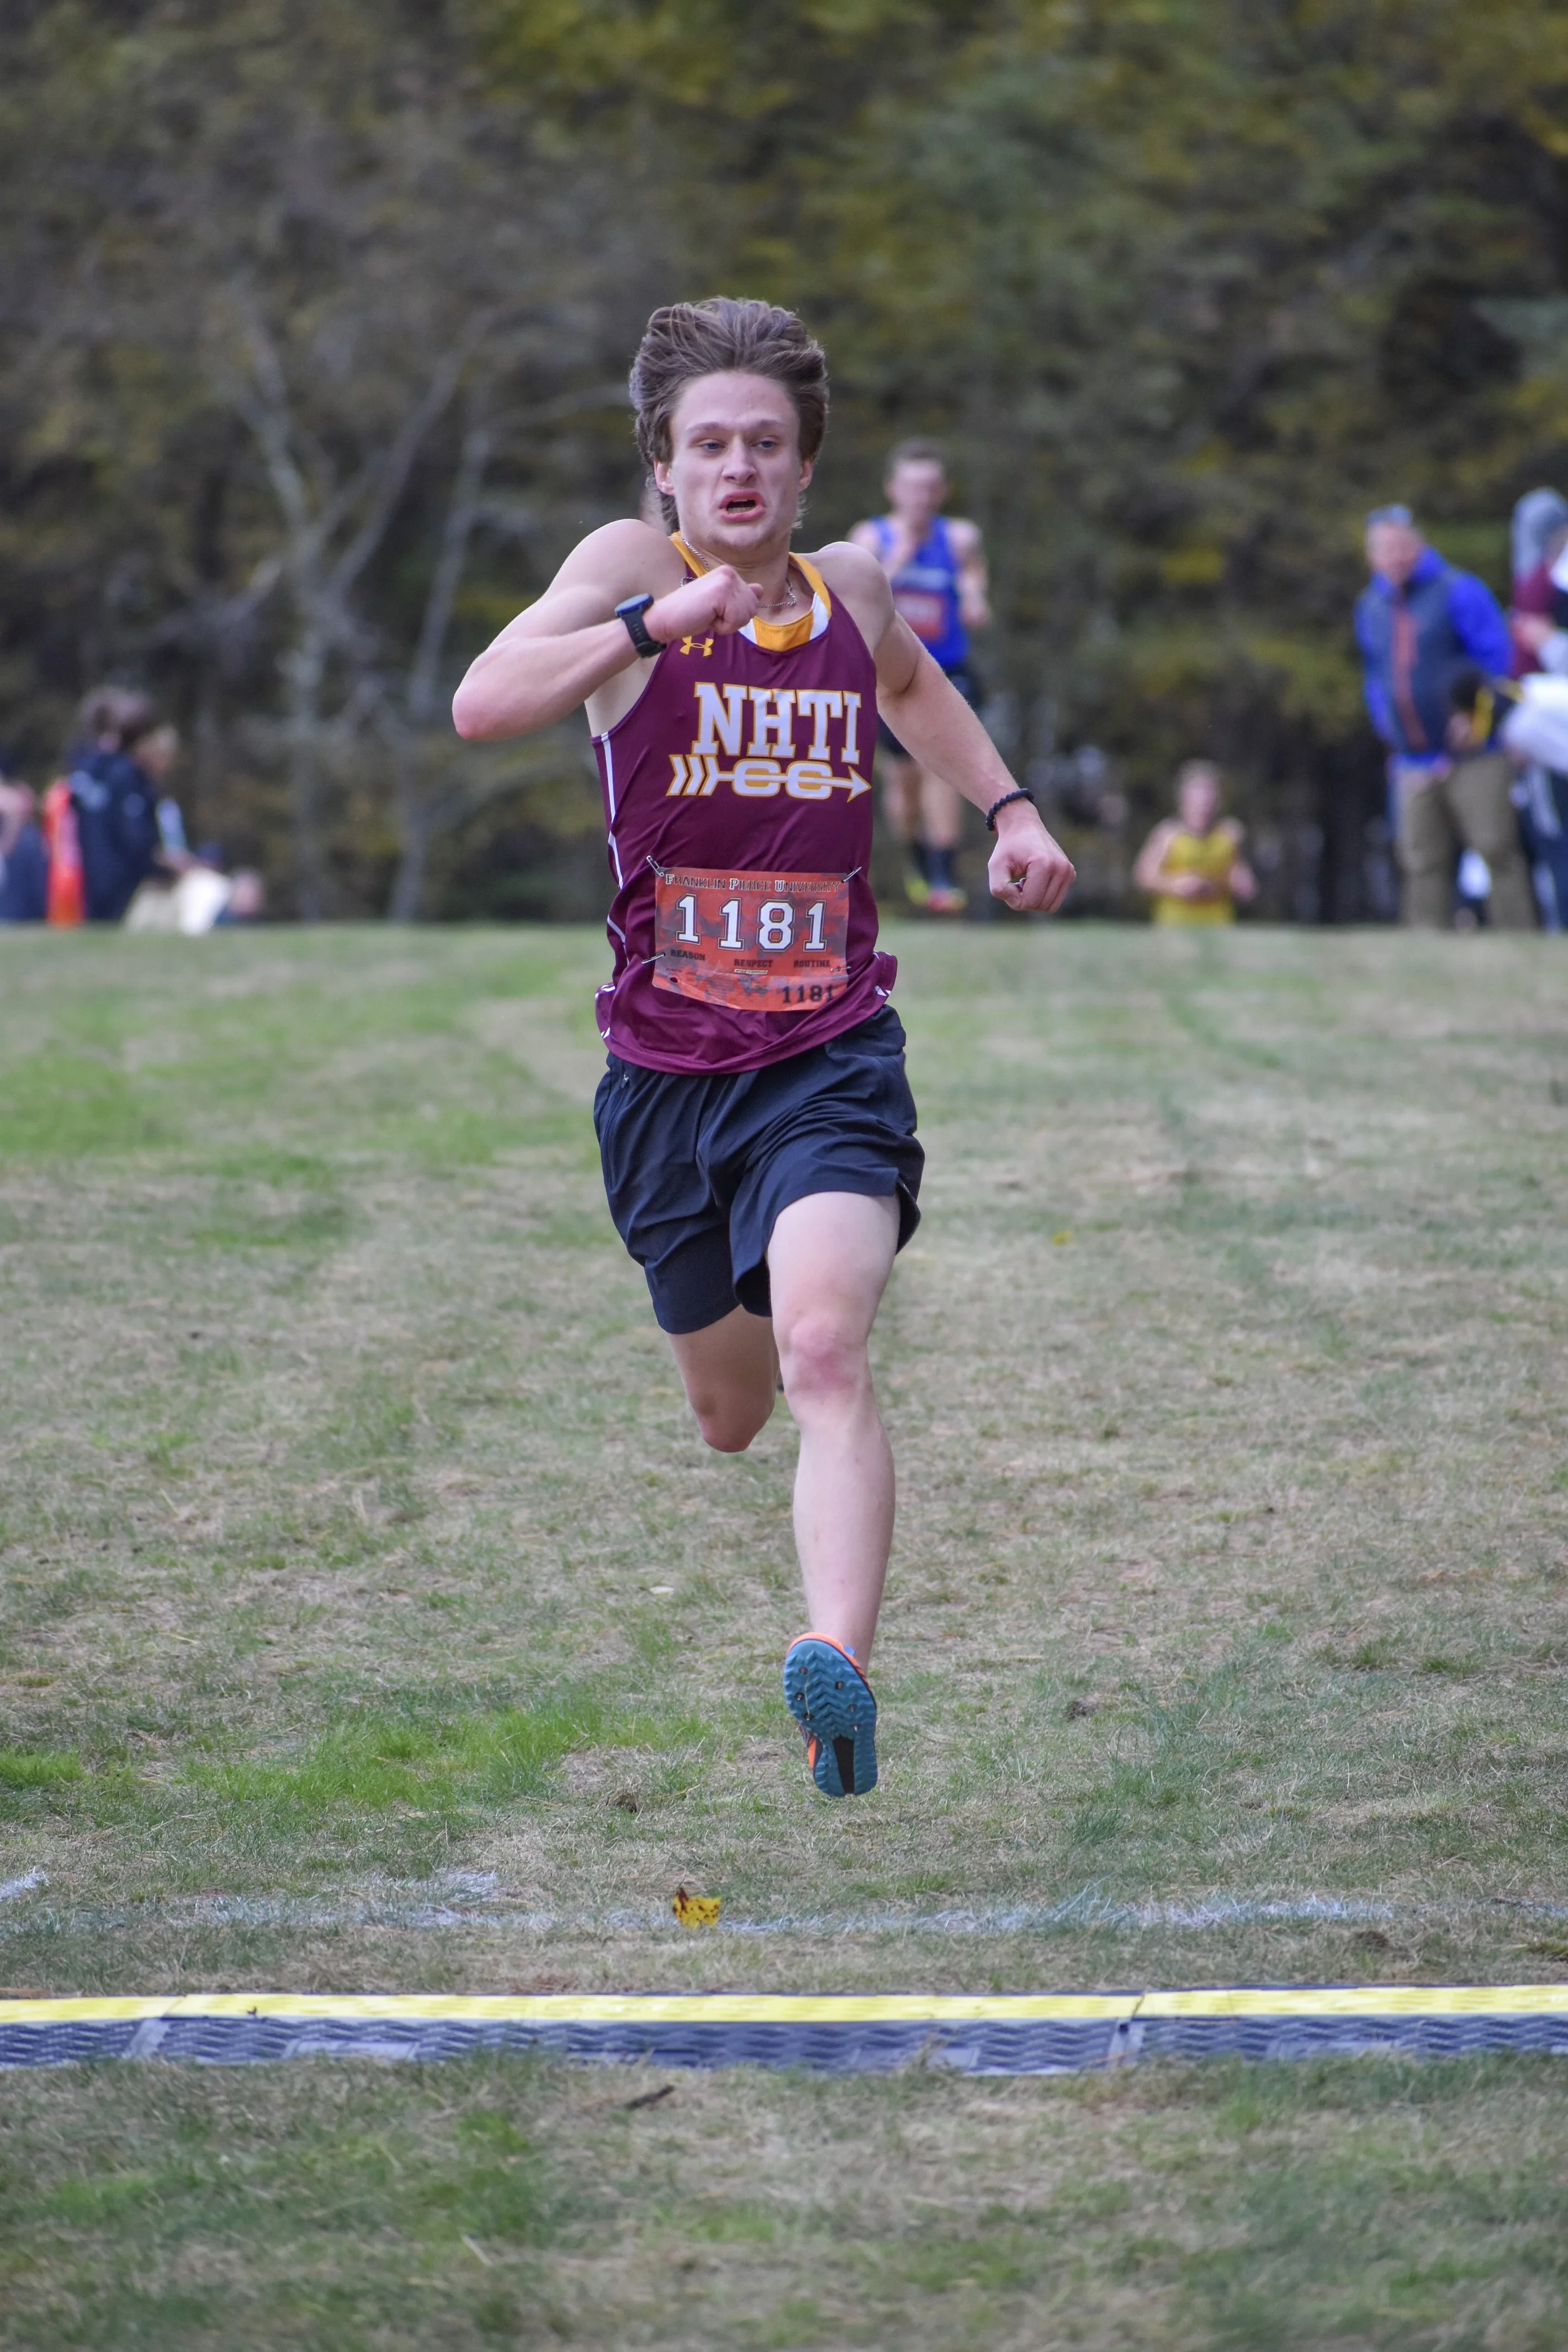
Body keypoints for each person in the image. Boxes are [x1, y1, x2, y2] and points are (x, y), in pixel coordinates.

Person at [452, 298, 1073, 1798]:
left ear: (805, 471)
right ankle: (814, 1601)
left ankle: (838, 1673)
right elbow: (482, 704)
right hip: (664, 1081)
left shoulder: (850, 590)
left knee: (822, 1346)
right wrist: (653, 625)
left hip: (830, 1055)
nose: (740, 470)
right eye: (710, 444)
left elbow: (915, 690)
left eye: (768, 445)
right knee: (731, 1413)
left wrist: (1012, 812)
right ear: (664, 468)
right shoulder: (624, 571)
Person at [1354, 505, 1513, 924]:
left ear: (1419, 545)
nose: (1396, 557)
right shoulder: (1372, 606)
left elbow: (1497, 661)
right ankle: (1425, 955)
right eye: (1385, 549)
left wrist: (1479, 717)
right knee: (1421, 860)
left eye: (1402, 546)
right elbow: (1375, 674)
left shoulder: (1458, 591)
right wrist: (1386, 726)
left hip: (1472, 751)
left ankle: (1521, 940)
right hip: (1413, 759)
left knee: (1495, 848)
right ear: (1372, 556)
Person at [851, 440, 989, 914]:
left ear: (943, 492)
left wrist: (973, 598)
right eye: (912, 486)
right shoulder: (872, 539)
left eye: (931, 487)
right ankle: (916, 855)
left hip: (947, 669)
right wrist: (900, 560)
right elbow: (857, 594)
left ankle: (944, 877)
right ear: (893, 490)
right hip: (891, 676)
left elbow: (972, 576)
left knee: (942, 766)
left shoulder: (959, 538)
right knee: (904, 780)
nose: (921, 497)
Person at [64, 688, 194, 923]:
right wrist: (163, 868)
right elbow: (134, 840)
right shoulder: (125, 777)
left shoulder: (84, 771)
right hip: (121, 884)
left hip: (88, 878)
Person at [1133, 761, 1256, 925]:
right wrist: (1176, 885)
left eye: (1209, 796)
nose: (1204, 804)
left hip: (1218, 926)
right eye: (1197, 797)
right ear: (1183, 799)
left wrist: (1227, 884)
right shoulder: (1168, 833)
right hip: (1175, 927)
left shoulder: (1229, 835)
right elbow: (1143, 877)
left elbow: (1243, 882)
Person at [0, 760, 48, 923]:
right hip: (28, 841)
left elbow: (13, 816)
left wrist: (6, 847)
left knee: (15, 891)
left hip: (18, 847)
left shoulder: (9, 794)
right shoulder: (23, 791)